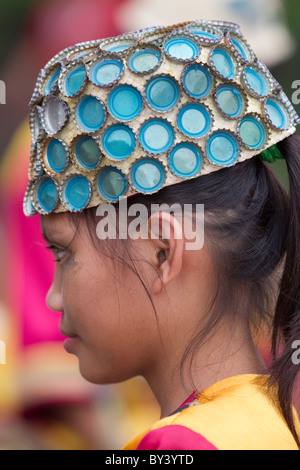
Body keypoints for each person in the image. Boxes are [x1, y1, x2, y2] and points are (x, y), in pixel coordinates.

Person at [22, 19, 300, 450]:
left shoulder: (178, 445)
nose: (52, 297)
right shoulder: (277, 422)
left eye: (63, 253)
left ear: (161, 252)